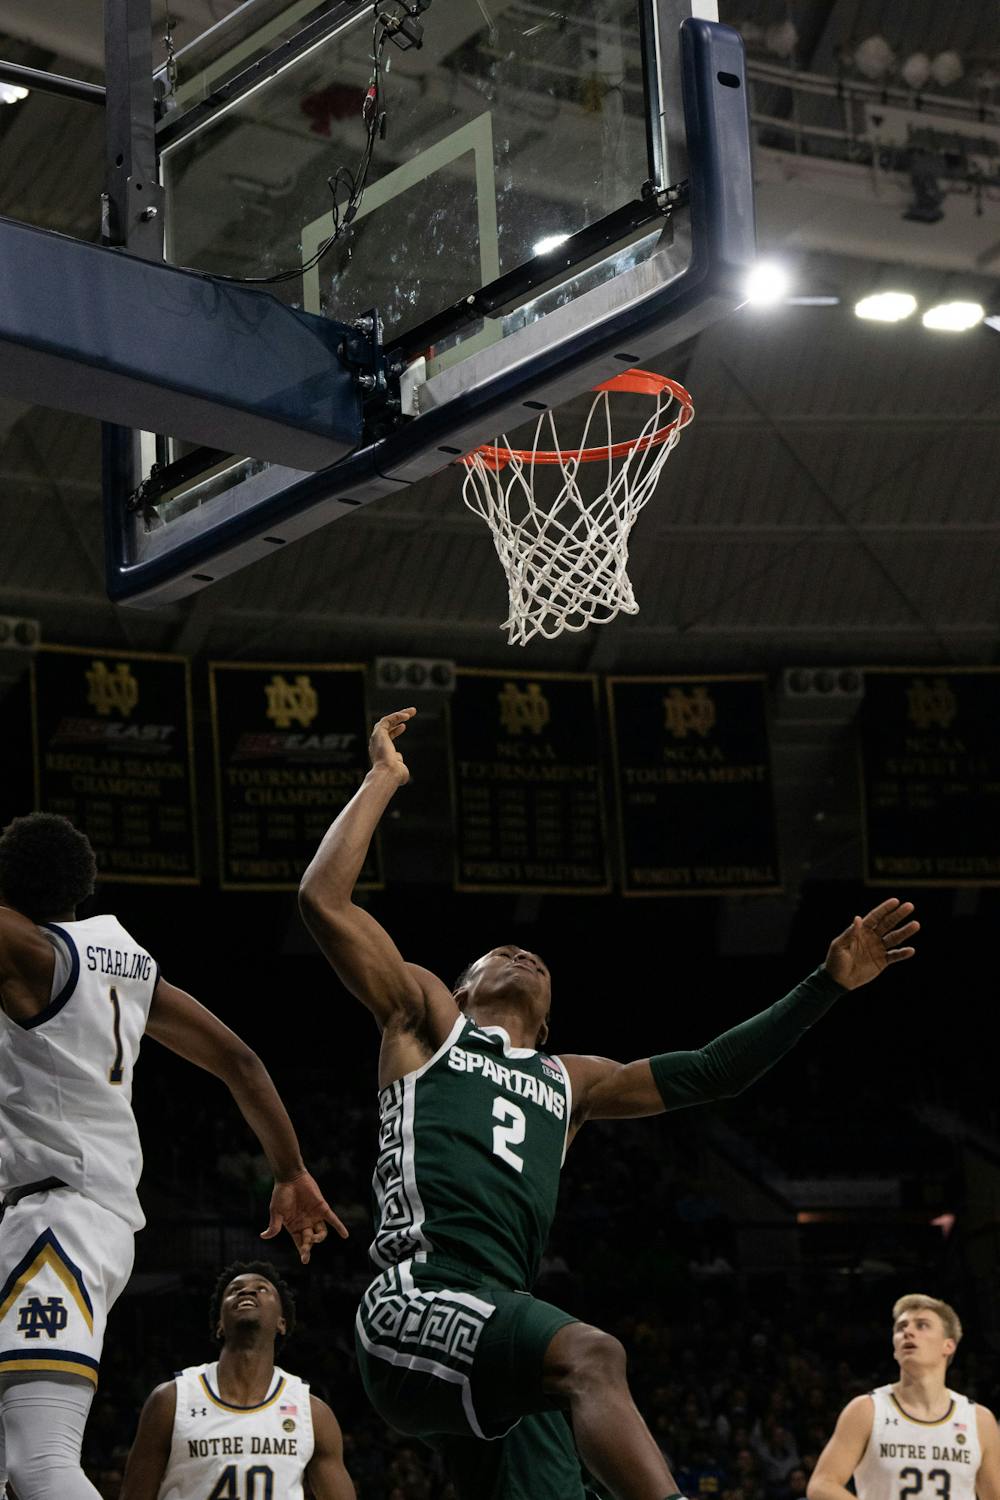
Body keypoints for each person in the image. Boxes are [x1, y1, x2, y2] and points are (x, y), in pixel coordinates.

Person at [298, 707, 920, 1500]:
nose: (522, 953)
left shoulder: (572, 1080)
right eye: (500, 953)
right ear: (461, 986)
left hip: (497, 1323)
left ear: (550, 1017)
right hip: (415, 1296)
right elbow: (324, 900)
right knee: (592, 1357)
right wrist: (383, 778)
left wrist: (824, 984)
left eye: (536, 960)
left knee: (559, 1468)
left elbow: (710, 1072)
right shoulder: (427, 1019)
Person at [0, 813, 347, 1500]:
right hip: (73, 1215)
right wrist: (290, 1170)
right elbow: (240, 1062)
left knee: (38, 1465)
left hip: (57, 1217)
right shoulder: (120, 962)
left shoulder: (29, 953)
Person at [119, 1259, 355, 1499]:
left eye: (262, 1288)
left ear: (282, 1323)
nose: (247, 1290)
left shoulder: (312, 1414)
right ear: (220, 1325)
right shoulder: (171, 1400)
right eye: (234, 1290)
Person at [807, 1294, 1000, 1500]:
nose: (907, 1332)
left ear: (948, 1345)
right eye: (901, 1327)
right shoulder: (867, 1409)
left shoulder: (979, 1419)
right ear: (895, 1349)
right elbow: (821, 1485)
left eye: (922, 1325)